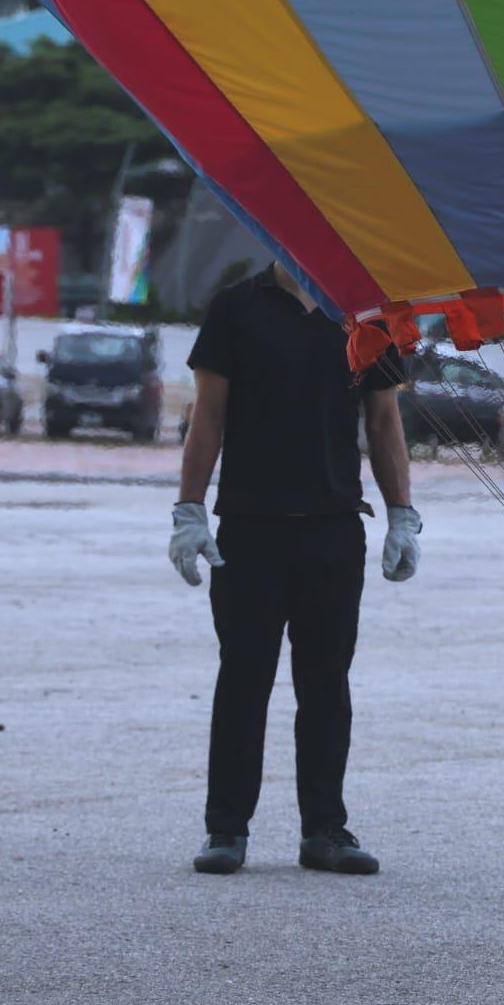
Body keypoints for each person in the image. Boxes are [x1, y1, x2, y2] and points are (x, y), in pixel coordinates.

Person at [170, 261, 423, 878]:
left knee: (326, 685)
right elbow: (208, 416)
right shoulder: (235, 308)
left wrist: (402, 513)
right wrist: (189, 509)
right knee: (243, 680)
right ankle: (226, 830)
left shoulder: (364, 313)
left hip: (334, 528)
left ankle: (325, 831)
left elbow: (383, 419)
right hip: (250, 529)